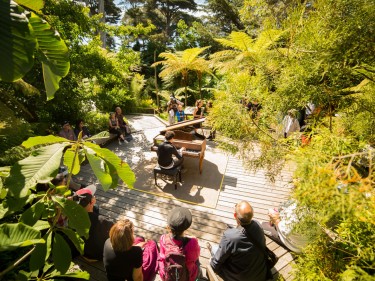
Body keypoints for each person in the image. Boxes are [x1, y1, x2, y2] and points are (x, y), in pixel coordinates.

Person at [209, 201, 268, 281]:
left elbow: (216, 263)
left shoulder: (230, 236)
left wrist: (211, 266)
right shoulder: (257, 225)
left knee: (214, 249)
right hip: (260, 275)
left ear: (235, 216)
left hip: (240, 278)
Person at [72, 185, 114, 261]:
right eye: (93, 196)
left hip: (84, 254)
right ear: (92, 201)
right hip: (99, 255)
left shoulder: (72, 221)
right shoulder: (103, 221)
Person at [158, 207, 201, 281]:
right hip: (187, 277)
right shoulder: (192, 242)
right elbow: (196, 257)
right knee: (197, 262)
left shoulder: (163, 239)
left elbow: (162, 258)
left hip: (167, 275)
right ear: (185, 228)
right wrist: (194, 239)